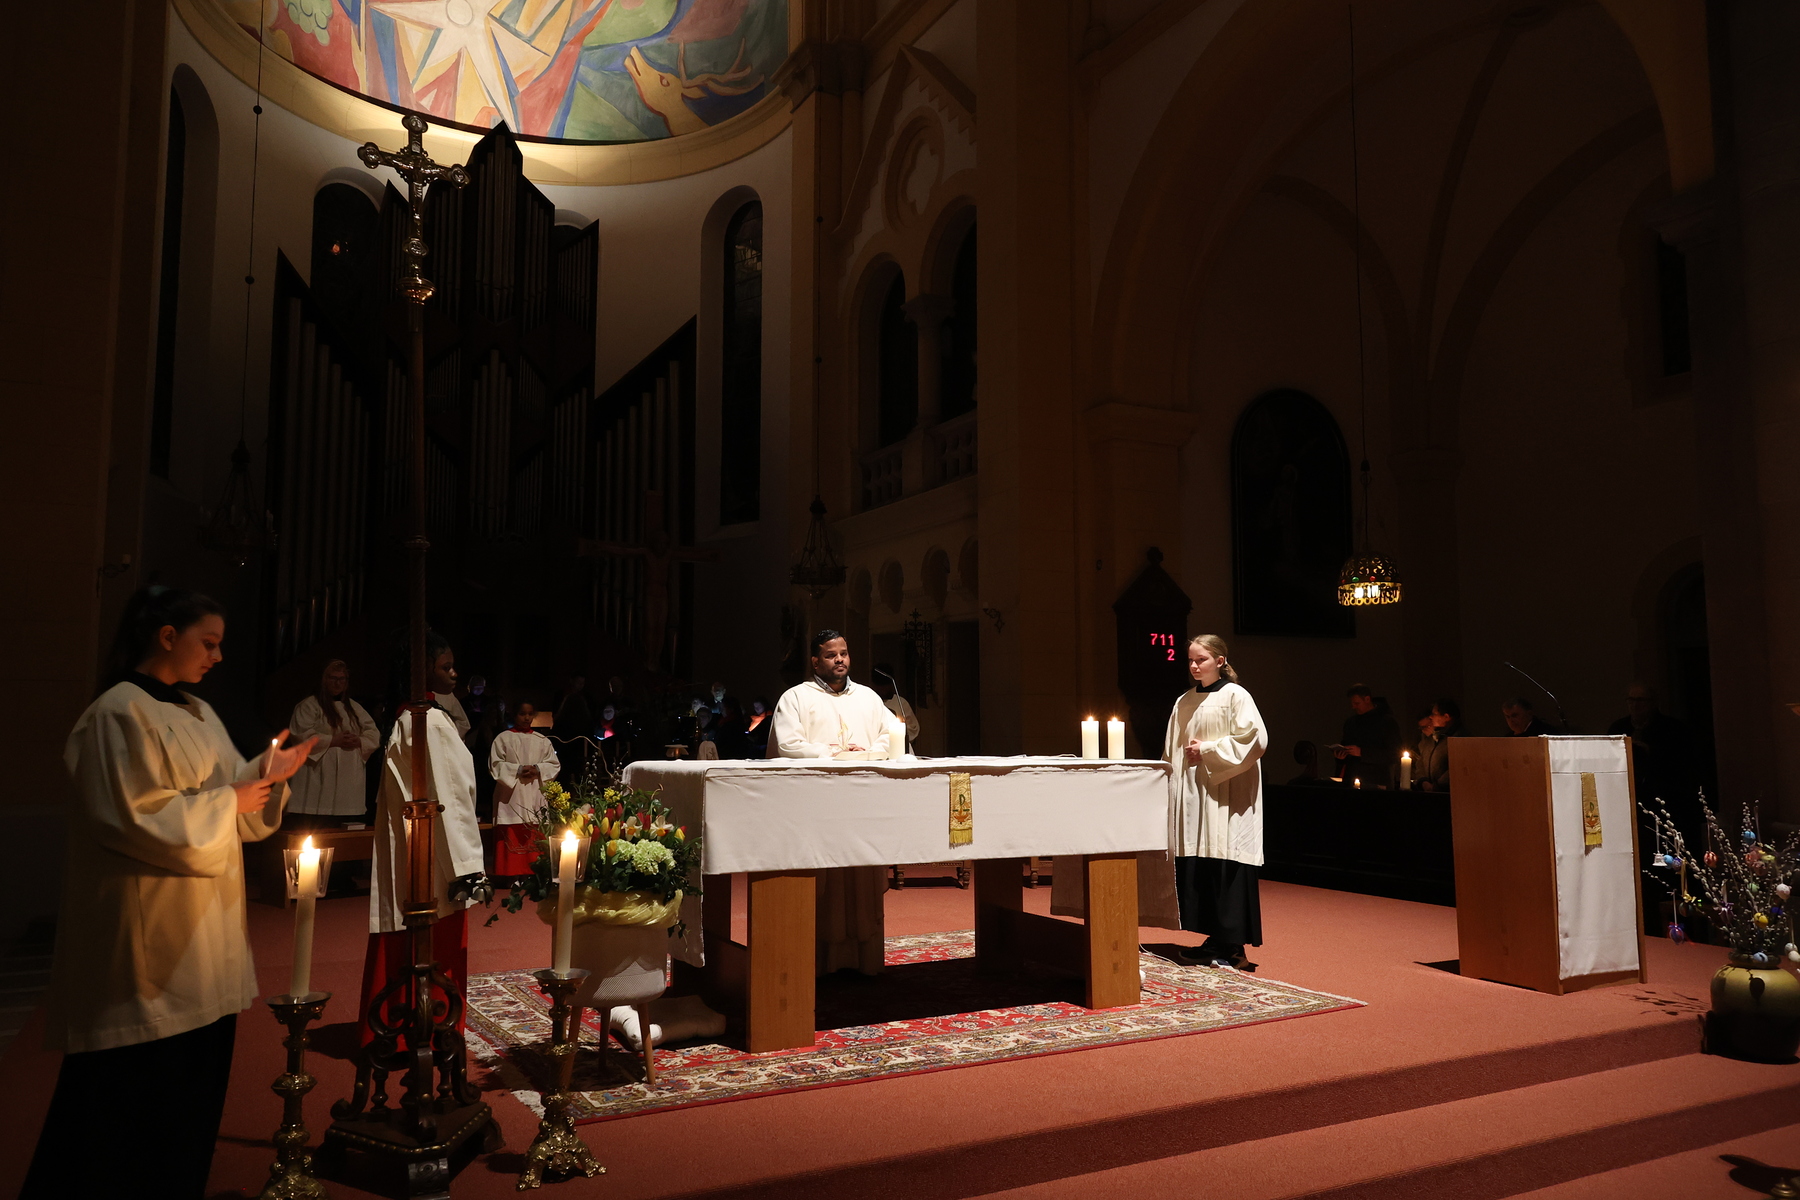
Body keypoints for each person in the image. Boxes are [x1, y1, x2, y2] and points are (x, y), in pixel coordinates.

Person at [26, 586, 316, 1200]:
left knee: (188, 1108)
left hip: (205, 940)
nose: (217, 656)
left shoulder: (198, 712)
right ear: (166, 636)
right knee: (126, 1113)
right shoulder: (117, 713)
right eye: (207, 642)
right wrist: (229, 799)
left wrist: (264, 777)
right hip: (147, 944)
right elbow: (130, 817)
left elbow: (230, 795)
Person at [361, 629, 487, 1046]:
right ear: (422, 672)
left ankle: (399, 1027)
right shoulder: (428, 721)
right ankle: (434, 1029)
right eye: (445, 667)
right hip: (434, 858)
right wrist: (467, 868)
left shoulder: (409, 717)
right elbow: (450, 796)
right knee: (433, 943)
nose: (454, 674)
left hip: (417, 847)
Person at [772, 631, 894, 974]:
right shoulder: (796, 698)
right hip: (818, 810)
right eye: (830, 655)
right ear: (815, 662)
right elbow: (787, 744)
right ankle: (819, 965)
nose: (839, 660)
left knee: (861, 882)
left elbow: (890, 735)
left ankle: (866, 963)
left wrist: (869, 751)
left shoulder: (869, 698)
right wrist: (833, 752)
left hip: (861, 807)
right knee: (826, 885)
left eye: (844, 653)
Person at [1165, 634, 1268, 971]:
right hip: (1194, 796)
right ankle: (1216, 939)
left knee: (1226, 860)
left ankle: (1233, 945)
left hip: (1228, 796)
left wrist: (1208, 750)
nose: (1194, 666)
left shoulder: (1236, 696)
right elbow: (1171, 750)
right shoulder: (1184, 700)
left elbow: (1254, 740)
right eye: (1191, 660)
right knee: (1202, 864)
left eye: (1202, 660)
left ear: (1220, 661)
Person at [287, 659, 380, 826]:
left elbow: (373, 734)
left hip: (347, 780)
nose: (338, 683)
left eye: (342, 679)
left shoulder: (355, 708)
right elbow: (301, 735)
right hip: (317, 777)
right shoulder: (308, 706)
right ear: (323, 679)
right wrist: (333, 740)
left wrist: (359, 741)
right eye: (333, 678)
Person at [490, 702, 561, 880]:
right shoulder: (503, 738)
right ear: (514, 715)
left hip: (535, 790)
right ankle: (509, 874)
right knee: (512, 827)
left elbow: (553, 764)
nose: (527, 718)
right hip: (511, 794)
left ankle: (534, 872)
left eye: (530, 714)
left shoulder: (542, 740)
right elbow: (496, 764)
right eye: (522, 714)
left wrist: (538, 769)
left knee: (534, 826)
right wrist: (518, 770)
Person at [1334, 684, 1400, 787]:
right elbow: (1346, 744)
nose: (1353, 707)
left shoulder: (1386, 722)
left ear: (1367, 699)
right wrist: (1341, 756)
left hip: (1377, 781)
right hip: (1352, 778)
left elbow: (1394, 754)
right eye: (1352, 703)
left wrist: (1362, 752)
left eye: (1357, 703)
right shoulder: (1351, 723)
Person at [1414, 698, 1464, 791]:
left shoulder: (1460, 738)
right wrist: (1423, 781)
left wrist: (1437, 786)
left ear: (1446, 717)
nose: (1431, 717)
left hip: (1449, 792)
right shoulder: (1433, 737)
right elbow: (1421, 762)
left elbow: (1458, 767)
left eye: (1434, 714)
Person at [871, 664, 921, 752]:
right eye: (879, 686)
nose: (882, 689)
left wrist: (898, 735)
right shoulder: (870, 702)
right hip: (875, 748)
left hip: (898, 748)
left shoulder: (901, 703)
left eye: (885, 686)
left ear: (891, 685)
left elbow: (913, 729)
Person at [555, 675, 593, 783]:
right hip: (574, 746)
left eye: (582, 683)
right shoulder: (563, 696)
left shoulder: (586, 697)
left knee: (568, 777)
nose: (580, 686)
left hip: (571, 747)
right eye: (578, 682)